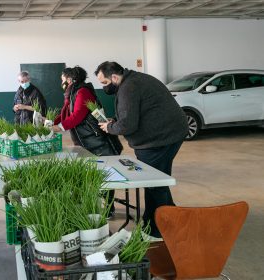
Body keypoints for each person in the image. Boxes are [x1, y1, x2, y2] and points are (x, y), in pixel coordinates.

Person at [95, 61, 188, 238]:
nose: (104, 87)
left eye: (105, 83)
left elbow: (128, 125)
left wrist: (110, 128)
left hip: (161, 139)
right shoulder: (133, 80)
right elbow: (129, 113)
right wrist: (115, 120)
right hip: (168, 134)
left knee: (155, 184)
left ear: (114, 77)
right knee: (158, 181)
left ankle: (160, 228)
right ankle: (167, 218)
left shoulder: (129, 87)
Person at [52, 66, 123, 216]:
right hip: (85, 141)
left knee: (104, 176)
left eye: (63, 79)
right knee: (92, 175)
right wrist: (51, 122)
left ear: (70, 79)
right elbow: (65, 112)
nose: (62, 82)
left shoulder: (82, 92)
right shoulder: (72, 92)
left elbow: (78, 114)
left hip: (97, 141)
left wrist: (59, 127)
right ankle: (96, 205)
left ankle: (108, 209)